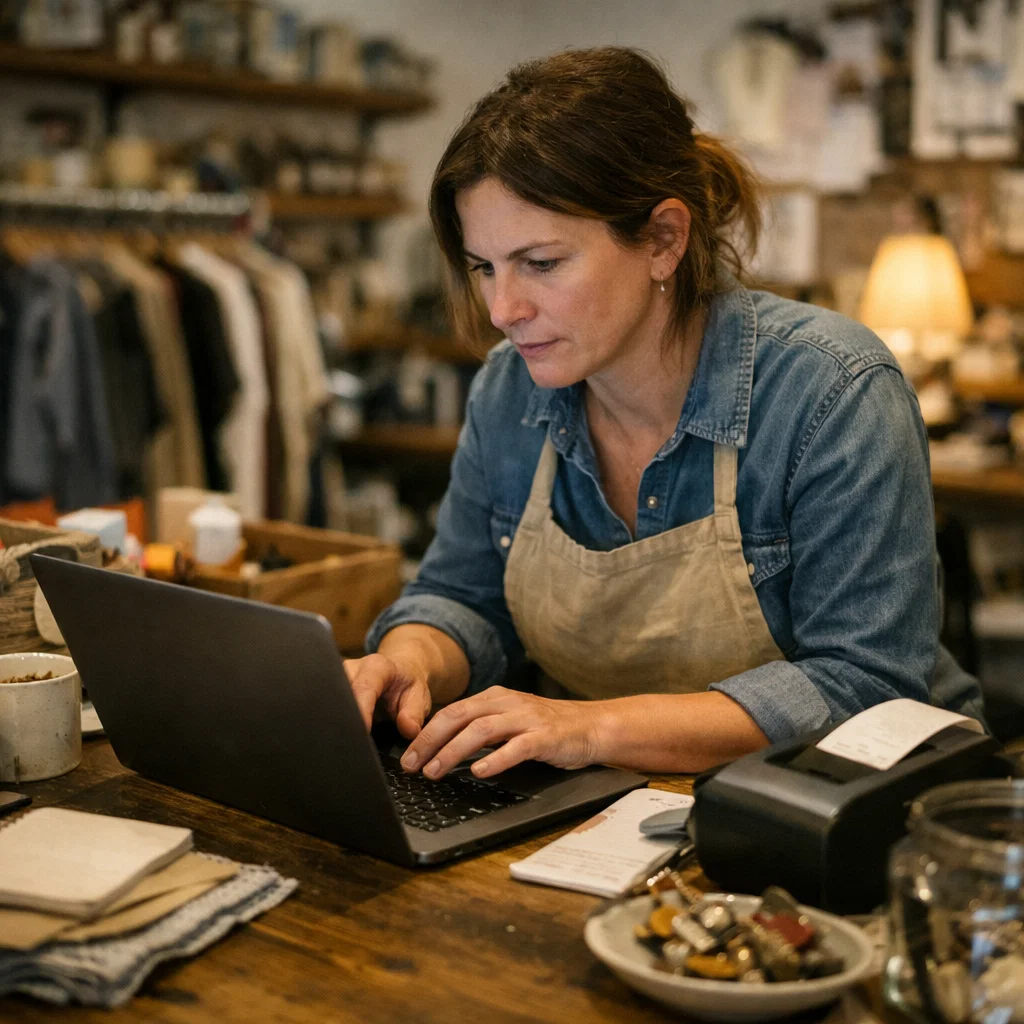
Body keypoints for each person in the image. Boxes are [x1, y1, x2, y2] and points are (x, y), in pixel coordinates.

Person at [344, 46, 985, 781]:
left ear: (663, 240)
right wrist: (406, 660)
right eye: (484, 267)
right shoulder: (507, 393)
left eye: (542, 264)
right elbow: (464, 597)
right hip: (627, 808)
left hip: (857, 812)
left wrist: (589, 728)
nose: (502, 310)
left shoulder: (832, 392)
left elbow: (864, 689)